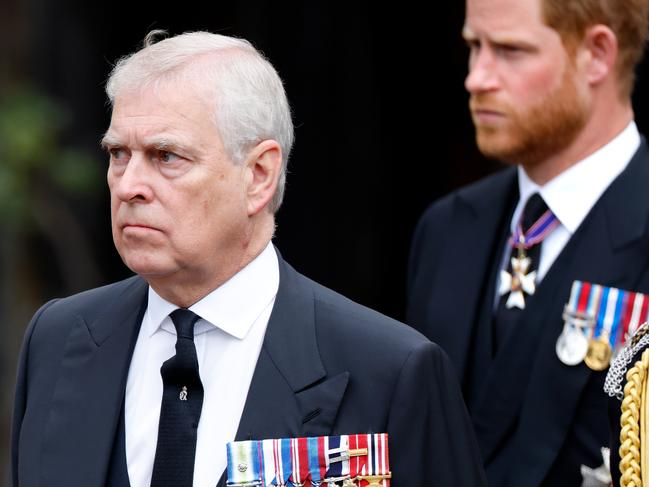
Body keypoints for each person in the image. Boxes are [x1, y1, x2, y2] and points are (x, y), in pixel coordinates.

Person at [11, 31, 485, 487]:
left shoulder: (389, 372)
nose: (129, 184)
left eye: (166, 156)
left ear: (259, 175)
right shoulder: (58, 339)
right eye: (118, 153)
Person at [407, 0, 649, 485]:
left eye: (510, 51)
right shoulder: (447, 228)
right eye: (474, 46)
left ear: (597, 54)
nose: (477, 78)